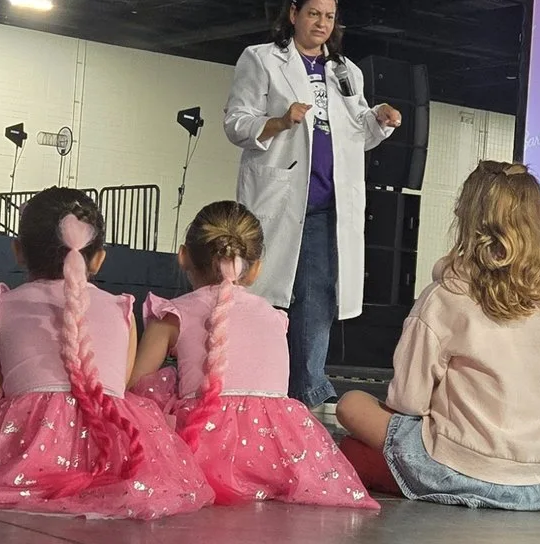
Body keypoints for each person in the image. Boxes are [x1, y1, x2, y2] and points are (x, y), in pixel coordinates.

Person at [0, 188, 211, 519]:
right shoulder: (121, 308)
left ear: (18, 251)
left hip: (27, 445)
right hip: (110, 448)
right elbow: (120, 387)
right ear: (99, 258)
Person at [334, 161, 540, 510]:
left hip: (461, 467)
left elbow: (408, 401)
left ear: (466, 218)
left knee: (352, 406)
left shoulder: (445, 297)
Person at [223, 0, 404, 409]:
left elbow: (357, 134)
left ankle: (306, 393)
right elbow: (236, 123)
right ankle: (249, 385)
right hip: (279, 200)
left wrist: (379, 119)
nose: (322, 23)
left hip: (327, 204)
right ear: (293, 14)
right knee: (263, 295)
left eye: (329, 16)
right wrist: (279, 122)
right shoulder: (261, 59)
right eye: (313, 14)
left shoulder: (346, 71)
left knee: (317, 297)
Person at [129, 201, 377, 508]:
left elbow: (135, 389)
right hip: (279, 454)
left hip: (205, 452)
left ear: (183, 256)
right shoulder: (276, 317)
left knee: (150, 394)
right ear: (256, 268)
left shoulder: (173, 314)